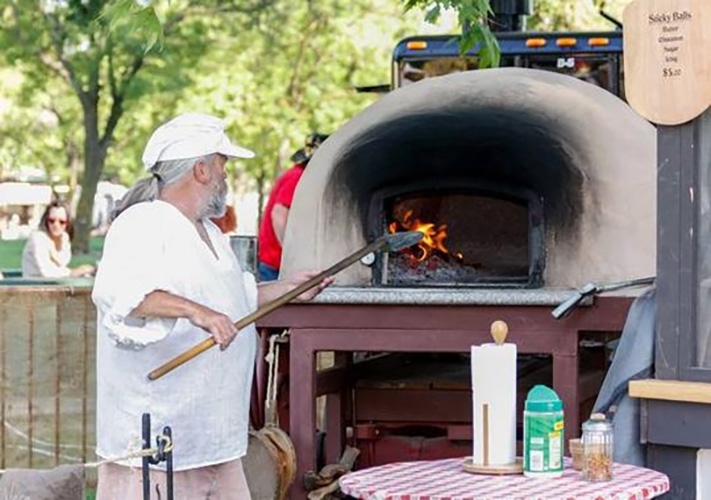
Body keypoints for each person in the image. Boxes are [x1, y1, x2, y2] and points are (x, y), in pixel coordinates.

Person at [92, 113, 332, 499]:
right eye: (222, 165)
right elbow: (125, 295)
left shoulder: (209, 233)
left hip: (213, 436)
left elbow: (234, 299)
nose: (225, 176)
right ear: (201, 170)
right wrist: (197, 312)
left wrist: (288, 288)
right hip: (160, 442)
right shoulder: (143, 223)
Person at [257, 132, 328, 281]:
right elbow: (278, 215)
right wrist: (291, 256)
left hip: (275, 264)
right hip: (275, 266)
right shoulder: (297, 177)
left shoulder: (297, 175)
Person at [21, 201, 95, 278]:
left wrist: (84, 271)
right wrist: (73, 272)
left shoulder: (64, 238)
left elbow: (62, 263)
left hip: (56, 286)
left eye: (61, 222)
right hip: (33, 287)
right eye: (52, 221)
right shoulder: (38, 238)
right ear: (46, 220)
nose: (56, 225)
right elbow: (47, 272)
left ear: (67, 223)